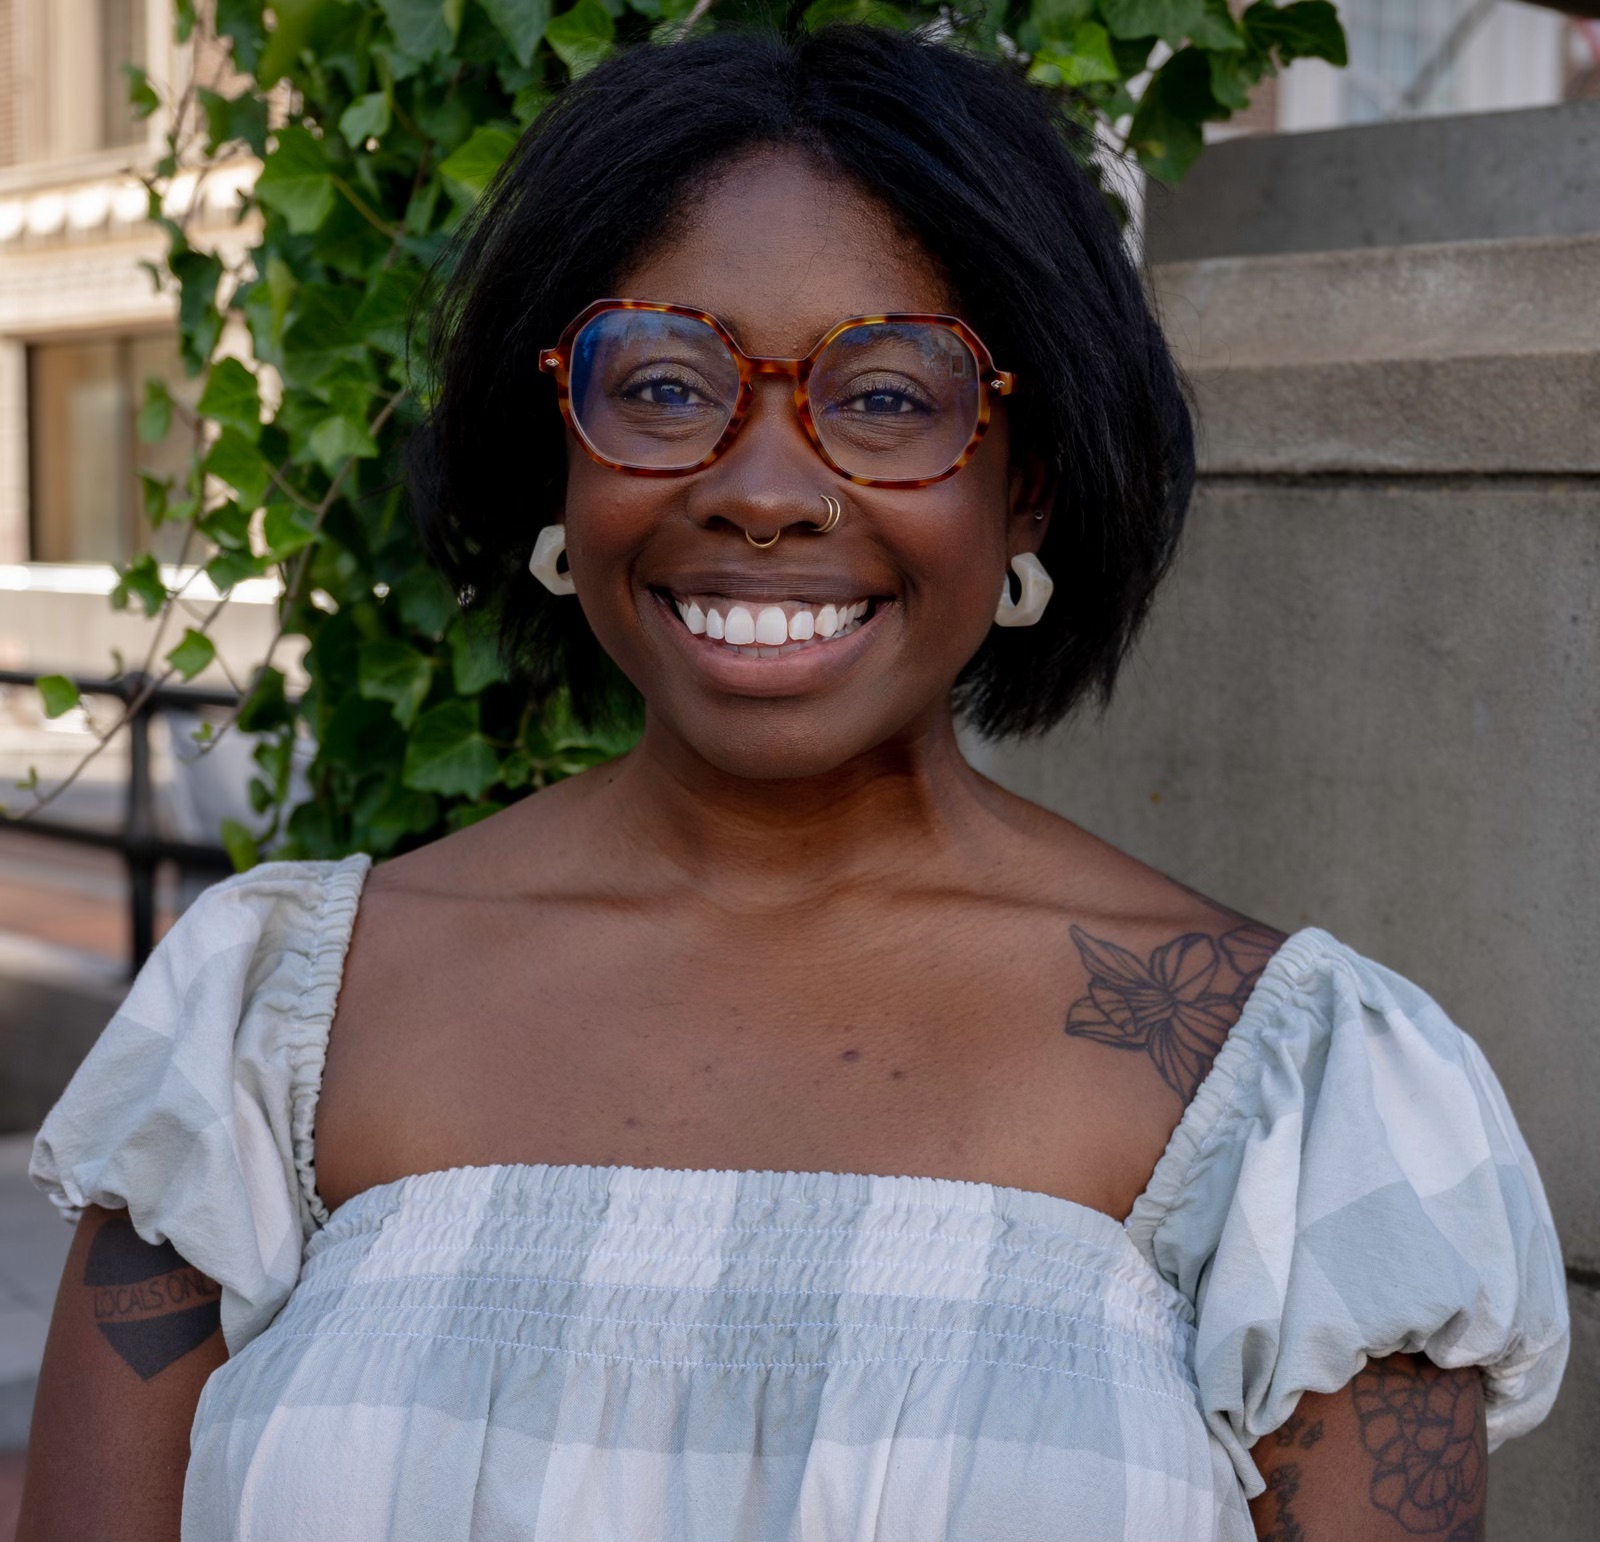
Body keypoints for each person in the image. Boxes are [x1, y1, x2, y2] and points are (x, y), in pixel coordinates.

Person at [18, 25, 1567, 1542]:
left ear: (1023, 483)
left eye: (890, 395)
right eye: (667, 385)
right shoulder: (266, 1030)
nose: (762, 488)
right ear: (560, 448)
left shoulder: (1295, 1090)